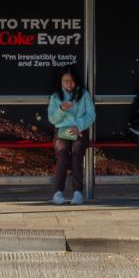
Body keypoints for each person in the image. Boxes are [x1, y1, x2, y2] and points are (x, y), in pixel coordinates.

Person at [47, 68, 95, 205]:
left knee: (77, 152)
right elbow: (52, 119)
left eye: (72, 81)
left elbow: (91, 115)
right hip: (62, 131)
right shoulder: (56, 96)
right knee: (62, 153)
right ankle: (57, 192)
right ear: (61, 81)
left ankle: (78, 192)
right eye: (66, 81)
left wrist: (78, 126)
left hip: (79, 130)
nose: (69, 84)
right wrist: (61, 109)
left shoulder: (83, 94)